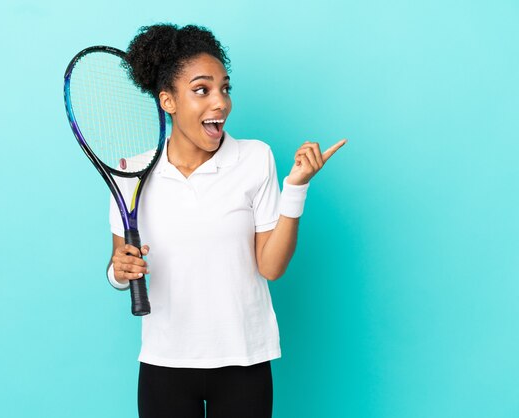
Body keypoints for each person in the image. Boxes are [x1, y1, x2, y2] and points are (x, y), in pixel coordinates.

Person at [106, 23, 346, 418]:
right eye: (202, 90)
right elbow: (120, 267)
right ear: (168, 100)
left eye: (225, 88)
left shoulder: (255, 159)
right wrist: (119, 272)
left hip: (244, 361)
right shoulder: (129, 174)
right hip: (165, 364)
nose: (220, 102)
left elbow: (271, 266)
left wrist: (296, 188)